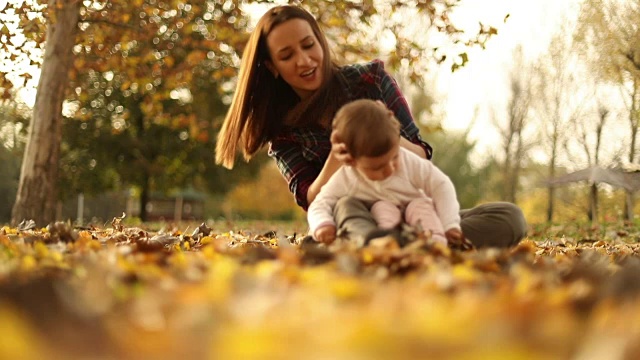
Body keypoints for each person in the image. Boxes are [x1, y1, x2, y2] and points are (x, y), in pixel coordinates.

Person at [215, 4, 527, 248]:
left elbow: (421, 156)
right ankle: (399, 248)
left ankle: (401, 247)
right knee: (344, 216)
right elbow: (311, 199)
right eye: (287, 55)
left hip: (414, 211)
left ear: (320, 41)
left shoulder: (370, 79)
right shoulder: (282, 129)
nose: (305, 60)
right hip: (353, 218)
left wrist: (392, 136)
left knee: (509, 217)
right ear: (273, 68)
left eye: (309, 45)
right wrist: (338, 155)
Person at [308, 99, 459, 246]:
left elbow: (441, 185)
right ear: (352, 161)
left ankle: (435, 244)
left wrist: (449, 224)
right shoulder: (347, 177)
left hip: (419, 218)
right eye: (377, 168)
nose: (390, 169)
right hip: (381, 222)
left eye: (394, 157)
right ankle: (386, 243)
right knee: (380, 207)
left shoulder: (408, 162)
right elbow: (320, 203)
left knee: (420, 206)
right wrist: (322, 224)